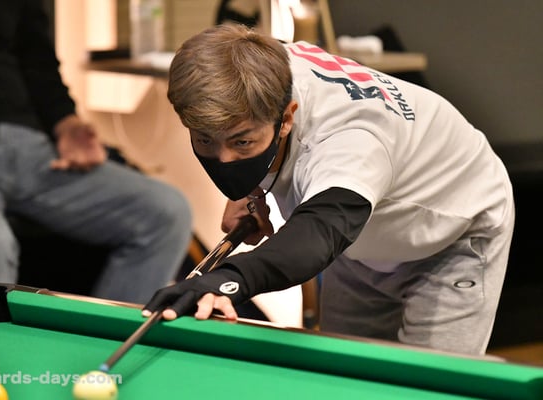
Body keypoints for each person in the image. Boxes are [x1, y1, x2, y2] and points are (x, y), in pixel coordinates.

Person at [143, 24, 515, 355]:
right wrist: (250, 190)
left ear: (286, 118)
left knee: (426, 389)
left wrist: (230, 279)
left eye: (242, 142)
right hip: (359, 241)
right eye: (205, 140)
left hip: (453, 233)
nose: (223, 159)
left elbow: (317, 235)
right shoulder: (258, 64)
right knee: (347, 376)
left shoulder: (350, 142)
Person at [0, 0, 192, 304]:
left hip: (29, 144)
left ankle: (99, 333)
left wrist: (67, 123)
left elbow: (38, 62)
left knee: (167, 212)